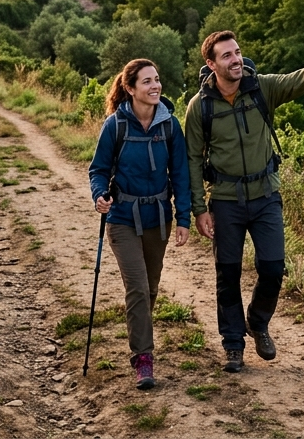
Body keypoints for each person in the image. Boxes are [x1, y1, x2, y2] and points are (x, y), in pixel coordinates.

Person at [186, 30, 304, 373]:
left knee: (273, 267)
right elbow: (192, 158)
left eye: (237, 52)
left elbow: (298, 80)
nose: (236, 59)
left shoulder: (261, 87)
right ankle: (233, 344)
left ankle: (258, 321)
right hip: (225, 200)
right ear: (211, 63)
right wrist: (199, 209)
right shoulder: (200, 106)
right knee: (227, 274)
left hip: (266, 195)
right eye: (226, 55)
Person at [88, 58, 192, 390]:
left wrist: (184, 218)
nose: (155, 86)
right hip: (122, 217)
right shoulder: (115, 126)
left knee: (150, 289)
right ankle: (143, 358)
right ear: (130, 88)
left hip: (157, 218)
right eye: (147, 81)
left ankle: (139, 331)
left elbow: (181, 175)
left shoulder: (170, 125)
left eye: (157, 79)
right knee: (137, 287)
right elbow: (98, 170)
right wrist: (100, 195)